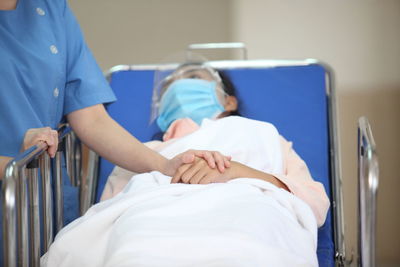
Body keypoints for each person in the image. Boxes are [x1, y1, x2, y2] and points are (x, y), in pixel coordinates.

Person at [0, 0, 229, 264]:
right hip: (21, 183)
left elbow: (92, 119)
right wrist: (15, 166)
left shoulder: (50, 8)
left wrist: (165, 165)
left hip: (40, 199)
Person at [42, 63, 330, 267]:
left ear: (228, 101)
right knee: (135, 249)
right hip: (153, 221)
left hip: (249, 211)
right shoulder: (140, 153)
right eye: (169, 88)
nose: (179, 86)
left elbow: (314, 202)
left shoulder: (261, 133)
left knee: (247, 250)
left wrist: (238, 173)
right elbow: (110, 213)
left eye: (192, 77)